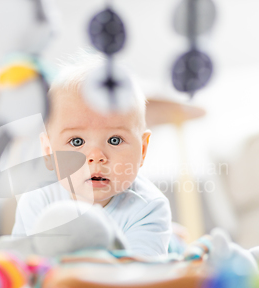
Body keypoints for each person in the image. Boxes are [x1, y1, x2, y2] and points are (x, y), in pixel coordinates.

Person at [11, 53, 172, 257]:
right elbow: (20, 266)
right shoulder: (38, 199)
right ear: (48, 151)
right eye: (76, 141)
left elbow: (140, 277)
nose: (96, 156)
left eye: (115, 140)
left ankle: (172, 239)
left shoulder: (148, 208)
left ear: (142, 150)